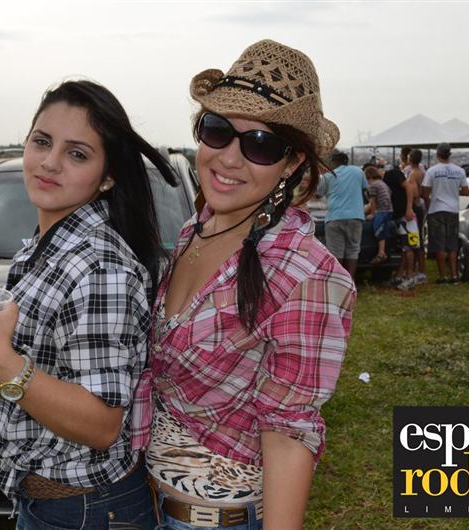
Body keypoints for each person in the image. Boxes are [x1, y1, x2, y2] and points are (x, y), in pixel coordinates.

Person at [0, 80, 177, 529]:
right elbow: (50, 365)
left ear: (107, 176)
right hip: (50, 502)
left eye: (77, 154)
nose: (50, 162)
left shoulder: (101, 268)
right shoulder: (45, 249)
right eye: (42, 142)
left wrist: (2, 363)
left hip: (88, 511)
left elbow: (100, 424)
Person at [131, 39, 356, 529]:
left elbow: (289, 436)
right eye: (217, 131)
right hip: (143, 507)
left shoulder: (307, 275)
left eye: (259, 144)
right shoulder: (196, 229)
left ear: (292, 162)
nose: (229, 158)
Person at [421, 142, 469, 283]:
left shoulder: (432, 171)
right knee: (452, 245)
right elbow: (466, 191)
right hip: (453, 210)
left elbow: (425, 192)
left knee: (439, 245)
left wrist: (430, 204)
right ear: (450, 154)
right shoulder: (459, 171)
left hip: (436, 209)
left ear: (438, 154)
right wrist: (454, 190)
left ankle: (442, 276)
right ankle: (454, 276)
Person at [316, 149, 368, 277]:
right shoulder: (358, 171)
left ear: (333, 162)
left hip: (334, 217)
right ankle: (351, 281)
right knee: (353, 250)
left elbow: (318, 194)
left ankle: (338, 282)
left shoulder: (328, 175)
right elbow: (364, 189)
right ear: (346, 161)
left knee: (335, 251)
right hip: (356, 216)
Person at [381, 163, 419, 288]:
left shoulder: (392, 174)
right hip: (399, 216)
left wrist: (409, 208)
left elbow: (409, 187)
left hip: (407, 216)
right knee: (404, 247)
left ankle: (410, 276)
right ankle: (400, 275)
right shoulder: (387, 178)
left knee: (409, 246)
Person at [364, 166, 393, 265]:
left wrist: (372, 214)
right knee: (383, 229)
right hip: (389, 209)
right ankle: (382, 252)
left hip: (382, 211)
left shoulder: (373, 185)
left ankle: (381, 253)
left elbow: (372, 202)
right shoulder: (382, 183)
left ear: (369, 177)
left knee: (378, 230)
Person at [406, 149, 427, 283]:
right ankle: (420, 269)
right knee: (418, 238)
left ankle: (419, 270)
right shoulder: (422, 172)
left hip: (415, 207)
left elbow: (413, 193)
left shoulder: (413, 174)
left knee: (415, 239)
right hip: (421, 206)